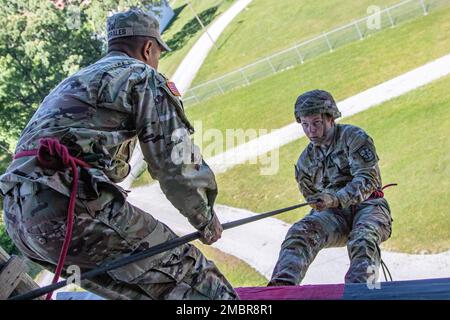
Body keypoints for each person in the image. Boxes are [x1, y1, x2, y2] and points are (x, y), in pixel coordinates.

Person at [0, 8, 237, 300]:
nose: (156, 59)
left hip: (19, 221)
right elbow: (174, 160)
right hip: (67, 205)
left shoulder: (75, 81)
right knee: (198, 280)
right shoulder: (140, 75)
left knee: (147, 293)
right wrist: (204, 217)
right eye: (157, 53)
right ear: (148, 48)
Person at [268, 89, 393, 286]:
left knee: (363, 238)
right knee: (300, 232)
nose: (311, 130)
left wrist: (335, 198)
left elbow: (368, 180)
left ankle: (361, 290)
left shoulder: (354, 137)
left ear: (330, 118)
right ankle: (281, 290)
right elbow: (315, 203)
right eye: (305, 124)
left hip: (370, 207)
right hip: (335, 216)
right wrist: (319, 205)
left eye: (316, 123)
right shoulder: (305, 162)